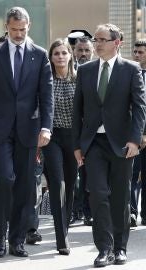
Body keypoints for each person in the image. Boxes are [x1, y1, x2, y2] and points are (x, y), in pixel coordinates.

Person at [0, 7, 53, 258]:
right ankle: (0, 234)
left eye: (23, 29)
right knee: (5, 179)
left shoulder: (39, 55)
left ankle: (16, 239)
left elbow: (46, 95)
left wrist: (46, 127)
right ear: (6, 27)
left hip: (29, 130)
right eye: (14, 29)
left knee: (25, 185)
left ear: (28, 26)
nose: (18, 34)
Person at [72, 23, 146, 267]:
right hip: (93, 143)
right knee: (98, 195)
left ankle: (120, 248)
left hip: (122, 144)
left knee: (120, 197)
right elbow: (77, 110)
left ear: (117, 43)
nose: (97, 44)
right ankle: (104, 249)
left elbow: (139, 108)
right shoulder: (86, 70)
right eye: (96, 40)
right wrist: (77, 145)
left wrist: (135, 140)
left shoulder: (131, 69)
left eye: (102, 39)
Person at [42, 39, 77, 256]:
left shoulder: (80, 78)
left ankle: (65, 225)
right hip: (52, 137)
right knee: (57, 183)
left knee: (71, 183)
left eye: (64, 53)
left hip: (74, 137)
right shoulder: (46, 79)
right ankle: (60, 237)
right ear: (51, 57)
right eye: (56, 53)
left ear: (70, 55)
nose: (61, 57)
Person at [70, 36, 94, 226]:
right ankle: (72, 211)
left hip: (88, 132)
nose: (83, 54)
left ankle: (87, 211)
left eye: (87, 50)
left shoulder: (95, 72)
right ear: (74, 51)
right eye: (80, 50)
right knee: (69, 174)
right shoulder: (66, 70)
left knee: (87, 174)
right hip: (67, 130)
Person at [130, 38, 146, 227]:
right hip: (132, 134)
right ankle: (132, 213)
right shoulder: (130, 73)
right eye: (135, 52)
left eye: (141, 52)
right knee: (131, 176)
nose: (136, 55)